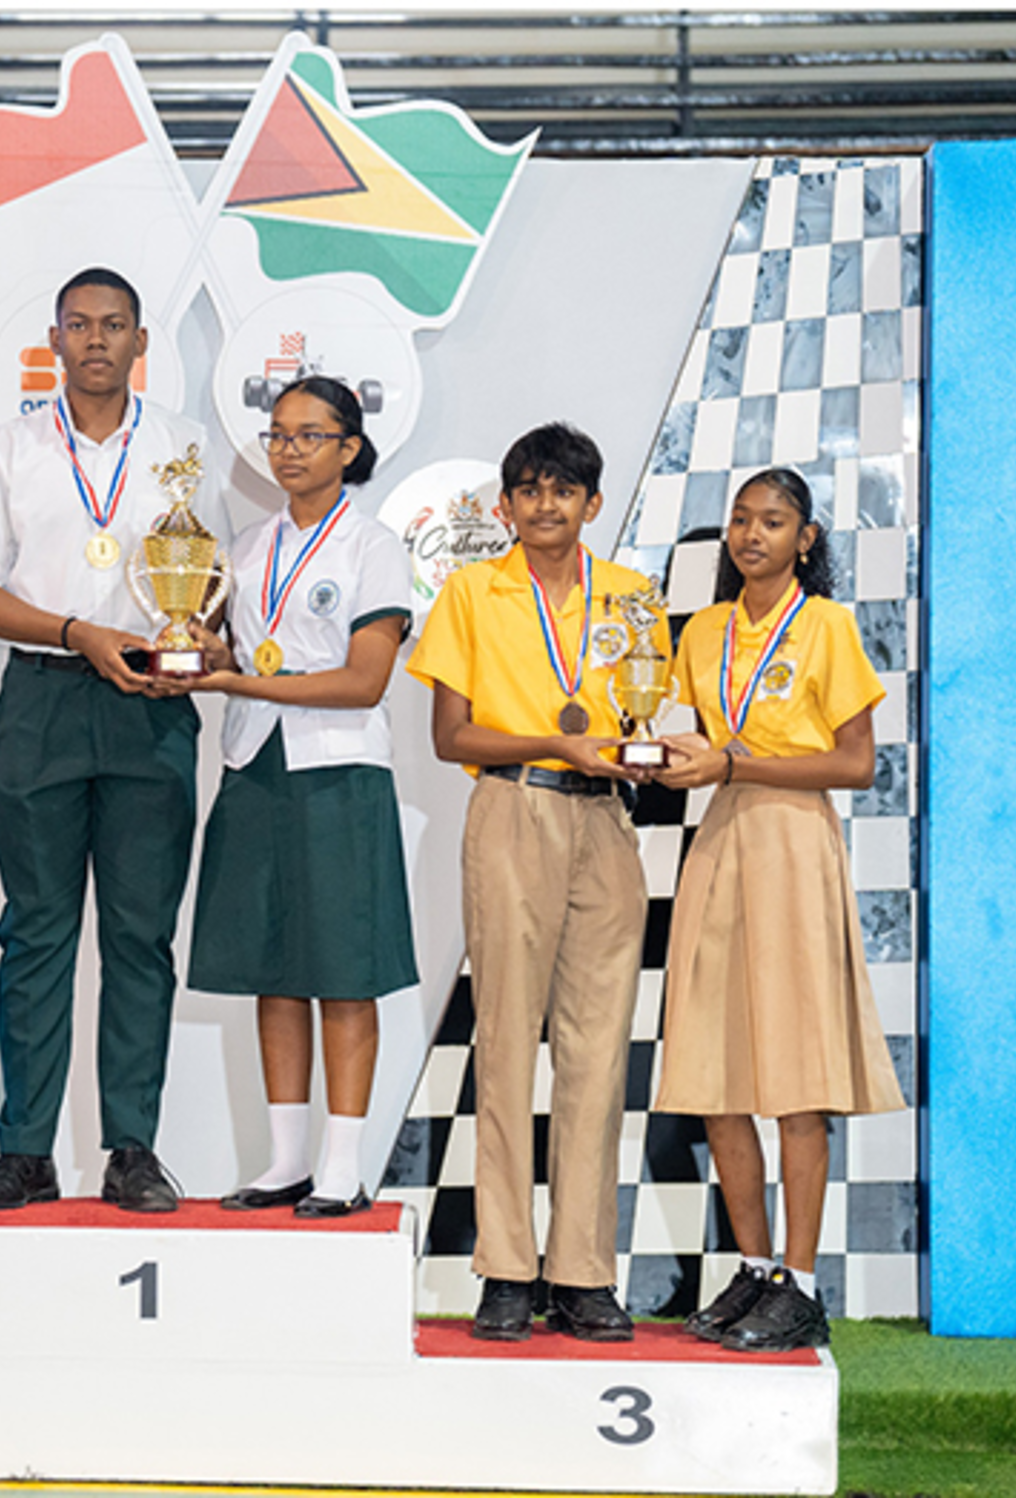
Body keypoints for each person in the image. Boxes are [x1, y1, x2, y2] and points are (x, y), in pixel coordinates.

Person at [0, 267, 224, 1213]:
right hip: (44, 698)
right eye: (79, 325)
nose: (97, 339)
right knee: (36, 932)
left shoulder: (184, 448)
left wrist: (200, 638)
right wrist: (73, 632)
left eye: (115, 324)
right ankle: (26, 1151)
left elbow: (212, 584)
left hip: (149, 705)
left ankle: (131, 1149)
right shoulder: (8, 451)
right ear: (53, 341)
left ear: (142, 342)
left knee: (140, 936)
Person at [404, 422, 663, 1342]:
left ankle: (584, 1272)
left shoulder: (632, 596)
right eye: (529, 489)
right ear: (505, 505)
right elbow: (451, 737)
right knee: (507, 1042)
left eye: (564, 490)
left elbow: (642, 715)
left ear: (593, 504)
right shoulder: (473, 591)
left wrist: (642, 753)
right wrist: (555, 741)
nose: (545, 504)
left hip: (605, 819)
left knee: (598, 1052)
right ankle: (507, 1269)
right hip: (514, 808)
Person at [651, 466, 906, 1353]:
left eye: (772, 521)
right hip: (721, 839)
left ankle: (801, 1284)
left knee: (796, 1078)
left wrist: (732, 763)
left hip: (795, 842)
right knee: (715, 1073)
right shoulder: (705, 631)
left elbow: (855, 764)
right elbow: (700, 738)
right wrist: (665, 754)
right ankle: (754, 1268)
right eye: (740, 520)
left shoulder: (826, 626)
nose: (752, 534)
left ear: (806, 538)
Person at [177, 377, 418, 1217]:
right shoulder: (246, 548)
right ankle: (285, 1161)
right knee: (273, 969)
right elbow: (234, 653)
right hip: (254, 767)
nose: (288, 450)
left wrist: (238, 679)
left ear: (349, 448)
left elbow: (363, 682)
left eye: (310, 436)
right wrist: (202, 653)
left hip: (339, 774)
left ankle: (342, 1166)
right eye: (278, 434)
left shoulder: (373, 547)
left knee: (344, 973)